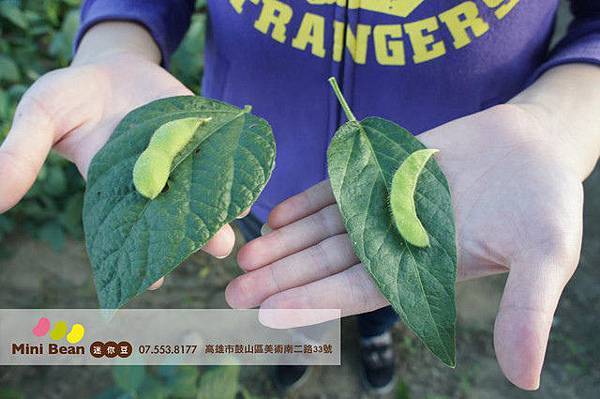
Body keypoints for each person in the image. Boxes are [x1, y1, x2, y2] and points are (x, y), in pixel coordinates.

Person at [0, 0, 598, 394]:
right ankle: (298, 338)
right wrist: (116, 47)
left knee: (389, 279)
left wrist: (561, 119)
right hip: (257, 185)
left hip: (450, 166)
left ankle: (374, 330)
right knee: (278, 271)